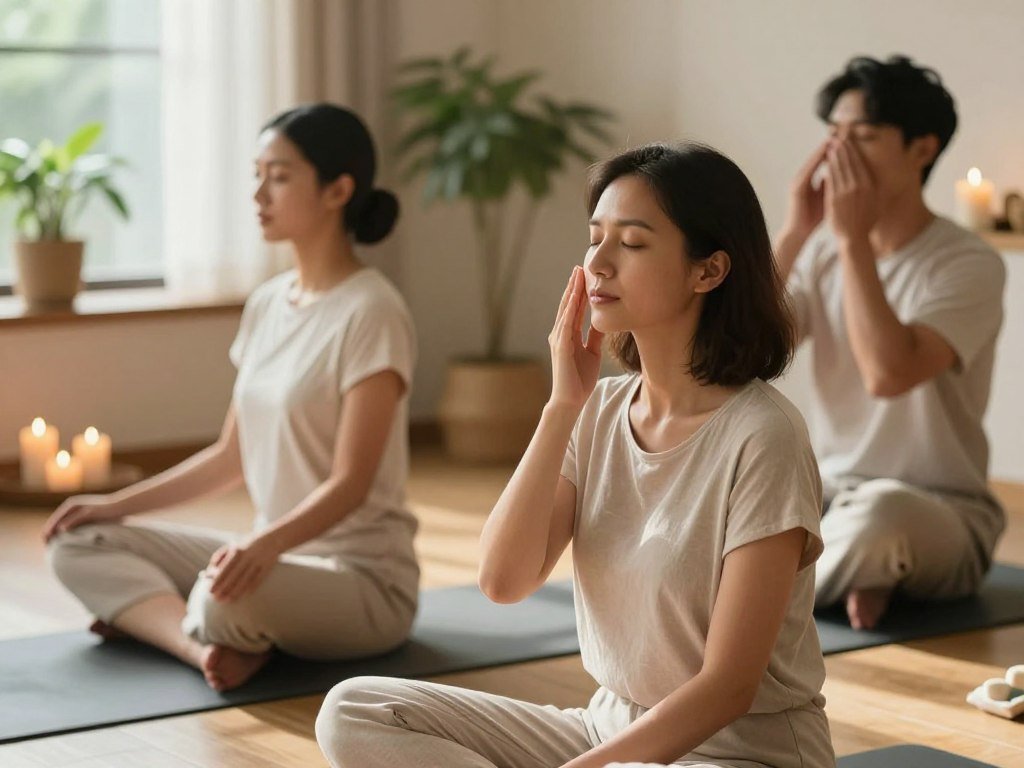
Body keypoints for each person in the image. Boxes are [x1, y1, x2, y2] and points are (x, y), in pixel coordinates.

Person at [316, 143, 834, 768]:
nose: (598, 263)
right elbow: (503, 581)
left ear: (708, 271)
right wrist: (562, 405)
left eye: (632, 243)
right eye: (595, 238)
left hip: (740, 754)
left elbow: (728, 688)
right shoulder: (598, 409)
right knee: (355, 709)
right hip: (605, 731)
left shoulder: (764, 435)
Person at [43, 103, 419, 691]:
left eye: (279, 176)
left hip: (359, 578)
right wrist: (112, 505)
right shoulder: (267, 303)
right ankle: (200, 649)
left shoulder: (373, 311)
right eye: (256, 175)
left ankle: (171, 619)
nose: (258, 194)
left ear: (338, 190)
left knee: (221, 598)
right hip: (269, 556)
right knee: (76, 542)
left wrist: (264, 545)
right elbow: (230, 457)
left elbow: (351, 483)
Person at [775, 55, 1007, 630]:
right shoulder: (823, 249)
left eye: (863, 136)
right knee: (743, 482)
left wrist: (853, 242)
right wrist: (796, 231)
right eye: (833, 135)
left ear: (922, 149)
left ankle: (739, 604)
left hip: (936, 510)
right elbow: (744, 350)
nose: (839, 155)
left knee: (881, 518)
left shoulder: (968, 262)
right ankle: (862, 577)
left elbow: (888, 373)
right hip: (830, 494)